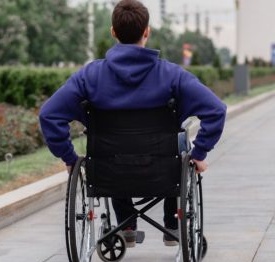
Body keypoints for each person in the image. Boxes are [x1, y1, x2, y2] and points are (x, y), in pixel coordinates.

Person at [39, 0, 226, 247]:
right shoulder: (171, 74)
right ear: (147, 31)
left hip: (110, 170)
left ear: (113, 32)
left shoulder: (90, 76)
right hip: (163, 170)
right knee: (180, 141)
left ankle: (125, 223)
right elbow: (216, 109)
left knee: (115, 149)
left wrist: (70, 159)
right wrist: (200, 152)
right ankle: (171, 224)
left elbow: (49, 114)